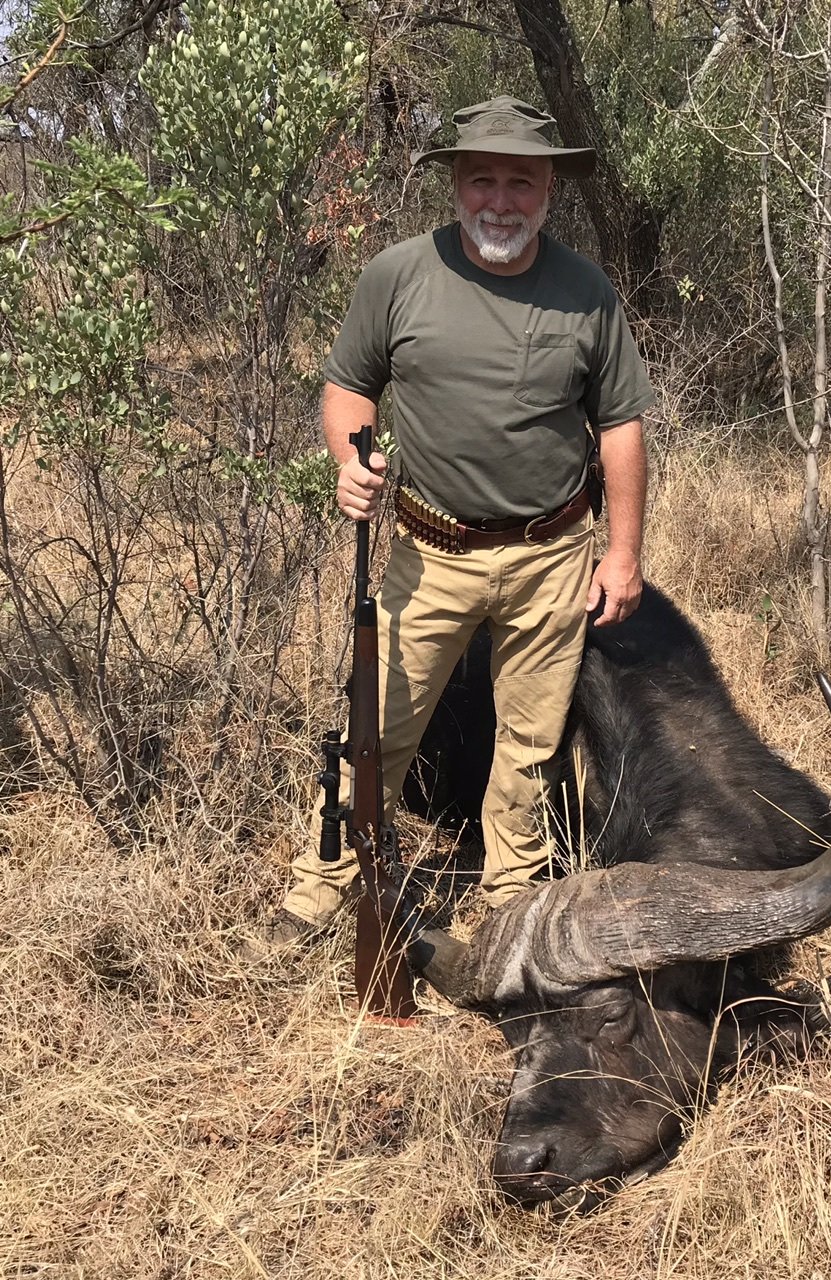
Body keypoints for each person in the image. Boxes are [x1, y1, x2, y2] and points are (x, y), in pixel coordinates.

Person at [242, 95, 653, 958]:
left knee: (532, 745)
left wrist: (622, 553)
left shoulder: (588, 291)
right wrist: (347, 462)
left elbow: (620, 427)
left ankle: (514, 904)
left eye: (521, 182)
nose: (500, 200)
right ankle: (324, 887)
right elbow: (349, 385)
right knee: (375, 722)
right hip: (429, 553)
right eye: (482, 180)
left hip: (554, 554)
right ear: (456, 185)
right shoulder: (398, 274)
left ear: (549, 192)